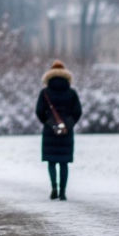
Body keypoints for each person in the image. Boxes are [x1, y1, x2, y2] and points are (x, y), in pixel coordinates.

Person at [35, 59, 82, 201]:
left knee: (51, 161)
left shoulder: (45, 93)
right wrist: (68, 125)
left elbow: (39, 111)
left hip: (50, 131)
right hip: (66, 132)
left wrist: (49, 123)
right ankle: (62, 192)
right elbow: (78, 111)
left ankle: (54, 187)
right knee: (64, 162)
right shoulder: (72, 93)